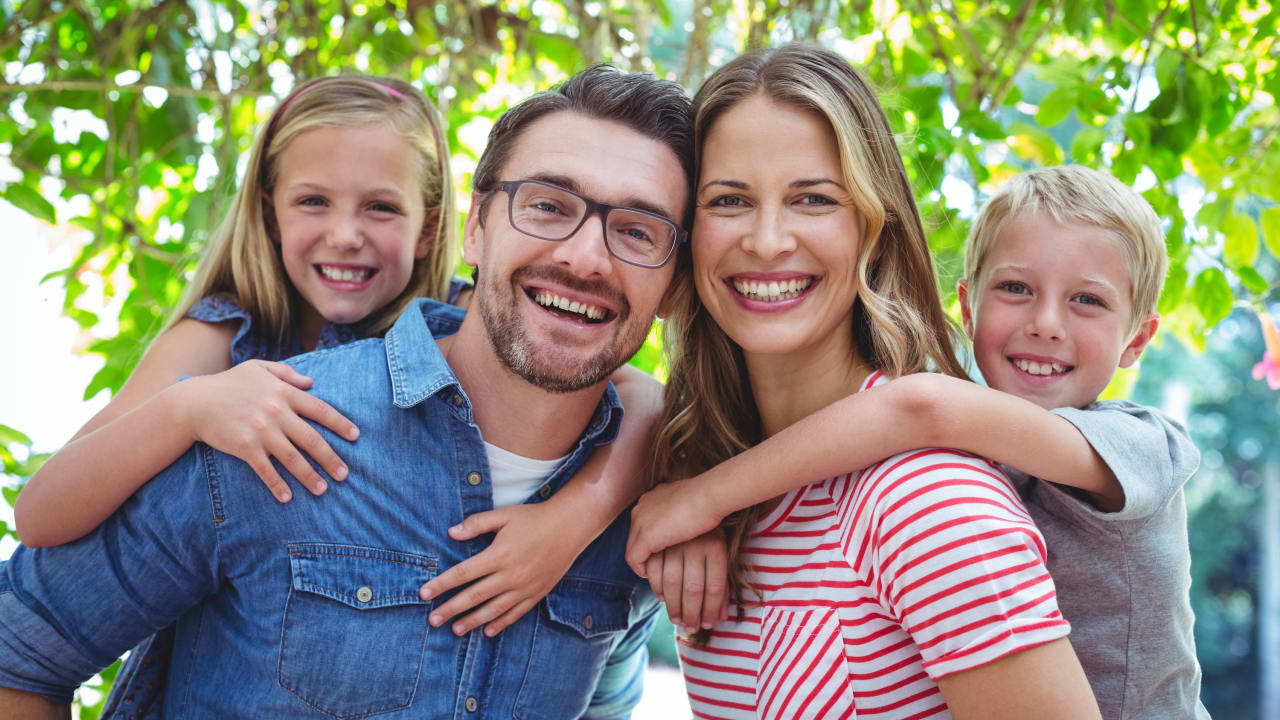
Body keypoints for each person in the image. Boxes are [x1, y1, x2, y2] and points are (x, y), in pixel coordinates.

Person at [0, 64, 702, 719]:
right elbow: (27, 621)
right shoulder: (243, 394)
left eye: (637, 231)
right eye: (548, 206)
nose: (583, 256)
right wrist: (189, 407)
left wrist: (587, 511)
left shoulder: (637, 505)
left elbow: (641, 394)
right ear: (475, 228)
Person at [628, 164, 1207, 719]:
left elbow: (919, 405)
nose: (1046, 323)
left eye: (1088, 300)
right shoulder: (980, 434)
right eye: (1015, 288)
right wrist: (689, 473)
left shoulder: (1145, 446)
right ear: (968, 308)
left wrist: (704, 497)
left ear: (1138, 339)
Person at [632, 44, 1100, 718]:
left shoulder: (928, 504)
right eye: (729, 200)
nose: (767, 241)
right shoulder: (707, 492)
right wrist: (695, 494)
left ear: (873, 228)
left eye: (814, 199)